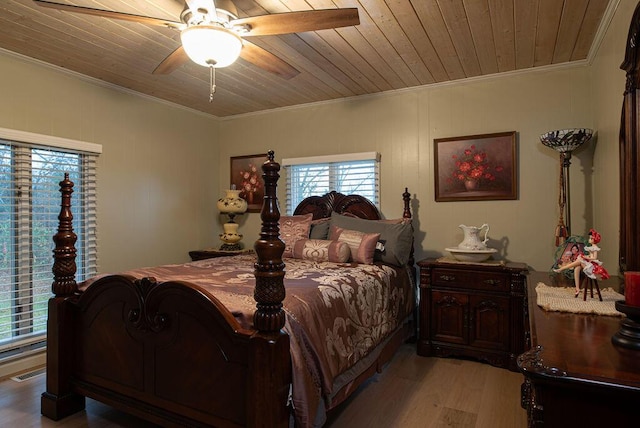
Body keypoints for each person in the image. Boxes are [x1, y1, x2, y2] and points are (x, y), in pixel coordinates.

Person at [553, 229, 610, 297]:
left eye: (591, 238)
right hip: (588, 263)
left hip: (591, 267)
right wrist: (585, 256)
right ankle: (577, 288)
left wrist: (586, 258)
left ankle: (562, 269)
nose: (589, 239)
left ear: (594, 239)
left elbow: (594, 258)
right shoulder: (591, 247)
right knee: (577, 267)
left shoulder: (595, 248)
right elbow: (589, 255)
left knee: (579, 260)